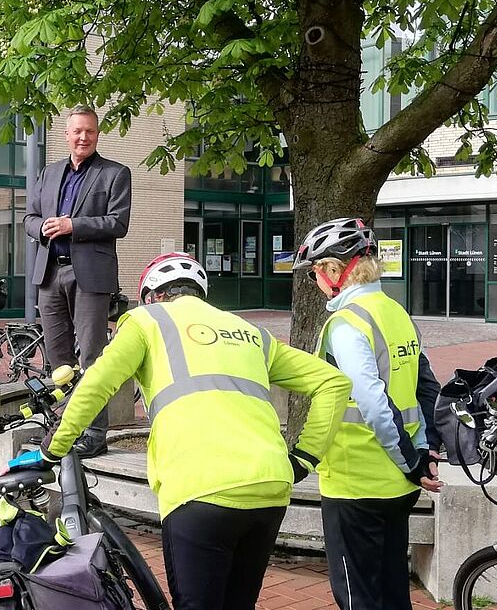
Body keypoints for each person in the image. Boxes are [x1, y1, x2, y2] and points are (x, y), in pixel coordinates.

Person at [27, 252, 352, 610]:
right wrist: (304, 458)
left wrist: (53, 448)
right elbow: (333, 383)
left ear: (153, 296)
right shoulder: (251, 331)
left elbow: (96, 385)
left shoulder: (145, 320)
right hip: (269, 487)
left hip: (199, 486)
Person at [293, 218, 443, 610]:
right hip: (398, 488)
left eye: (315, 273)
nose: (316, 282)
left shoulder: (345, 324)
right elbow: (426, 388)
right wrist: (424, 453)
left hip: (354, 483)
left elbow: (375, 404)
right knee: (393, 591)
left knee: (358, 596)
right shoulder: (396, 312)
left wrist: (412, 462)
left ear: (333, 269)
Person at [22, 105, 132, 457]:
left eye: (90, 131)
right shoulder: (49, 173)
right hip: (50, 273)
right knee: (59, 360)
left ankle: (95, 433)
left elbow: (118, 223)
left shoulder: (114, 173)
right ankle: (66, 424)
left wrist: (74, 226)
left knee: (92, 358)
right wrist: (41, 227)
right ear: (67, 135)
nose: (83, 137)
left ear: (97, 134)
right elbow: (28, 217)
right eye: (77, 131)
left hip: (90, 276)